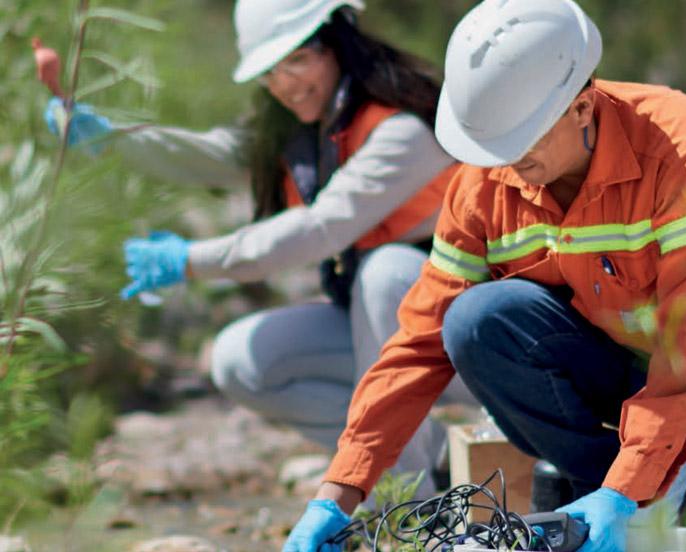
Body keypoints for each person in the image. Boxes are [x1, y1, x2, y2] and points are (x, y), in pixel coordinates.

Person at [282, 0, 686, 551]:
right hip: (631, 362)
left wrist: (626, 491)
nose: (507, 161)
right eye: (496, 143)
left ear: (583, 107)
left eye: (524, 139)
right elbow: (417, 343)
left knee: (667, 529)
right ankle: (601, 495)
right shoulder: (486, 181)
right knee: (476, 320)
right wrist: (338, 491)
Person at [42, 0, 475, 499]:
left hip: (462, 347)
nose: (286, 85)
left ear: (339, 42)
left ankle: (412, 505)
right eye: (271, 72)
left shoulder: (403, 130)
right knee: (241, 362)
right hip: (388, 337)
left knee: (385, 273)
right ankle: (433, 460)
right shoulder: (306, 132)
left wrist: (191, 260)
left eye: (297, 61)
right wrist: (109, 137)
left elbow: (319, 228)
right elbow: (208, 153)